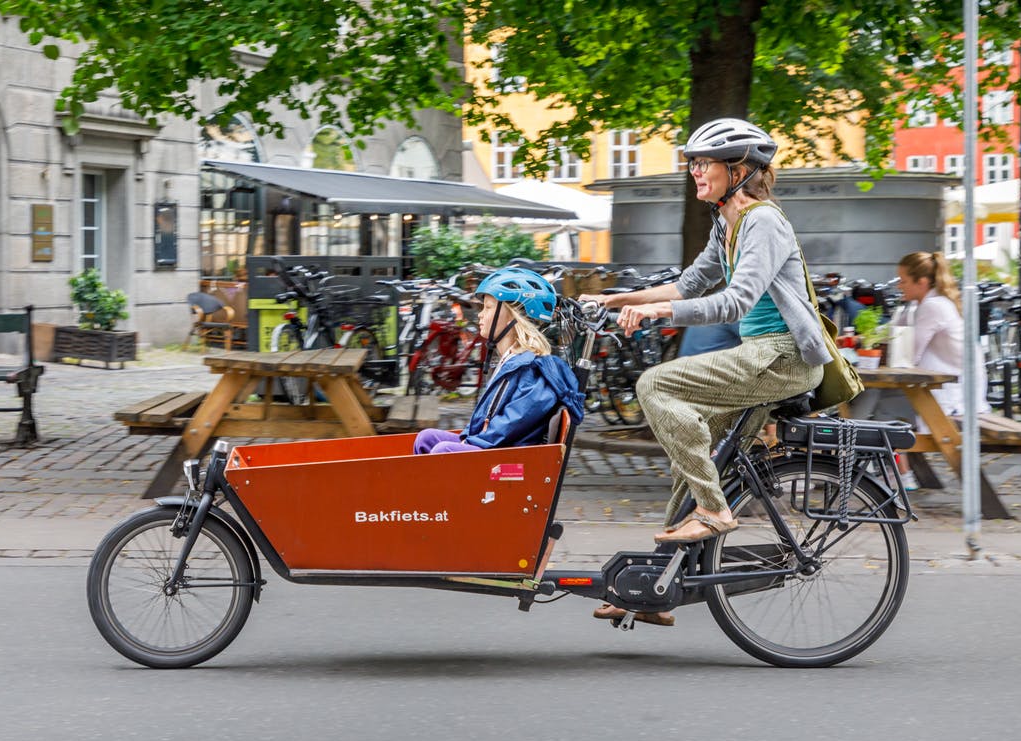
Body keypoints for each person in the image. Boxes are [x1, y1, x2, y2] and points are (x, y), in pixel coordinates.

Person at [580, 118, 830, 626]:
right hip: (761, 356)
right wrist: (614, 299)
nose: (694, 171)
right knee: (691, 456)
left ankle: (715, 511)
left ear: (738, 170)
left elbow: (735, 301)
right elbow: (690, 284)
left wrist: (655, 315)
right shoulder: (726, 222)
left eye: (703, 163)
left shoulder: (763, 221)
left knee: (655, 384)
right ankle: (655, 590)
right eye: (691, 163)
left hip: (782, 357)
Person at [847, 251, 988, 490]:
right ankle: (884, 469)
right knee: (874, 397)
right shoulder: (922, 305)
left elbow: (909, 353)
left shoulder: (933, 307)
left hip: (953, 394)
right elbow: (893, 333)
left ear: (921, 282)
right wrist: (862, 339)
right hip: (945, 388)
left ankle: (848, 455)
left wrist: (869, 346)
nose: (899, 286)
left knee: (873, 397)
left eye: (903, 280)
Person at [414, 267, 585, 455]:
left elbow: (510, 427)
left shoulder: (533, 373)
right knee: (426, 438)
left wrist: (468, 444)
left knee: (443, 451)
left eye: (487, 308)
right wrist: (467, 438)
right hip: (495, 450)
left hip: (510, 464)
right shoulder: (512, 360)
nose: (480, 315)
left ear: (513, 317)